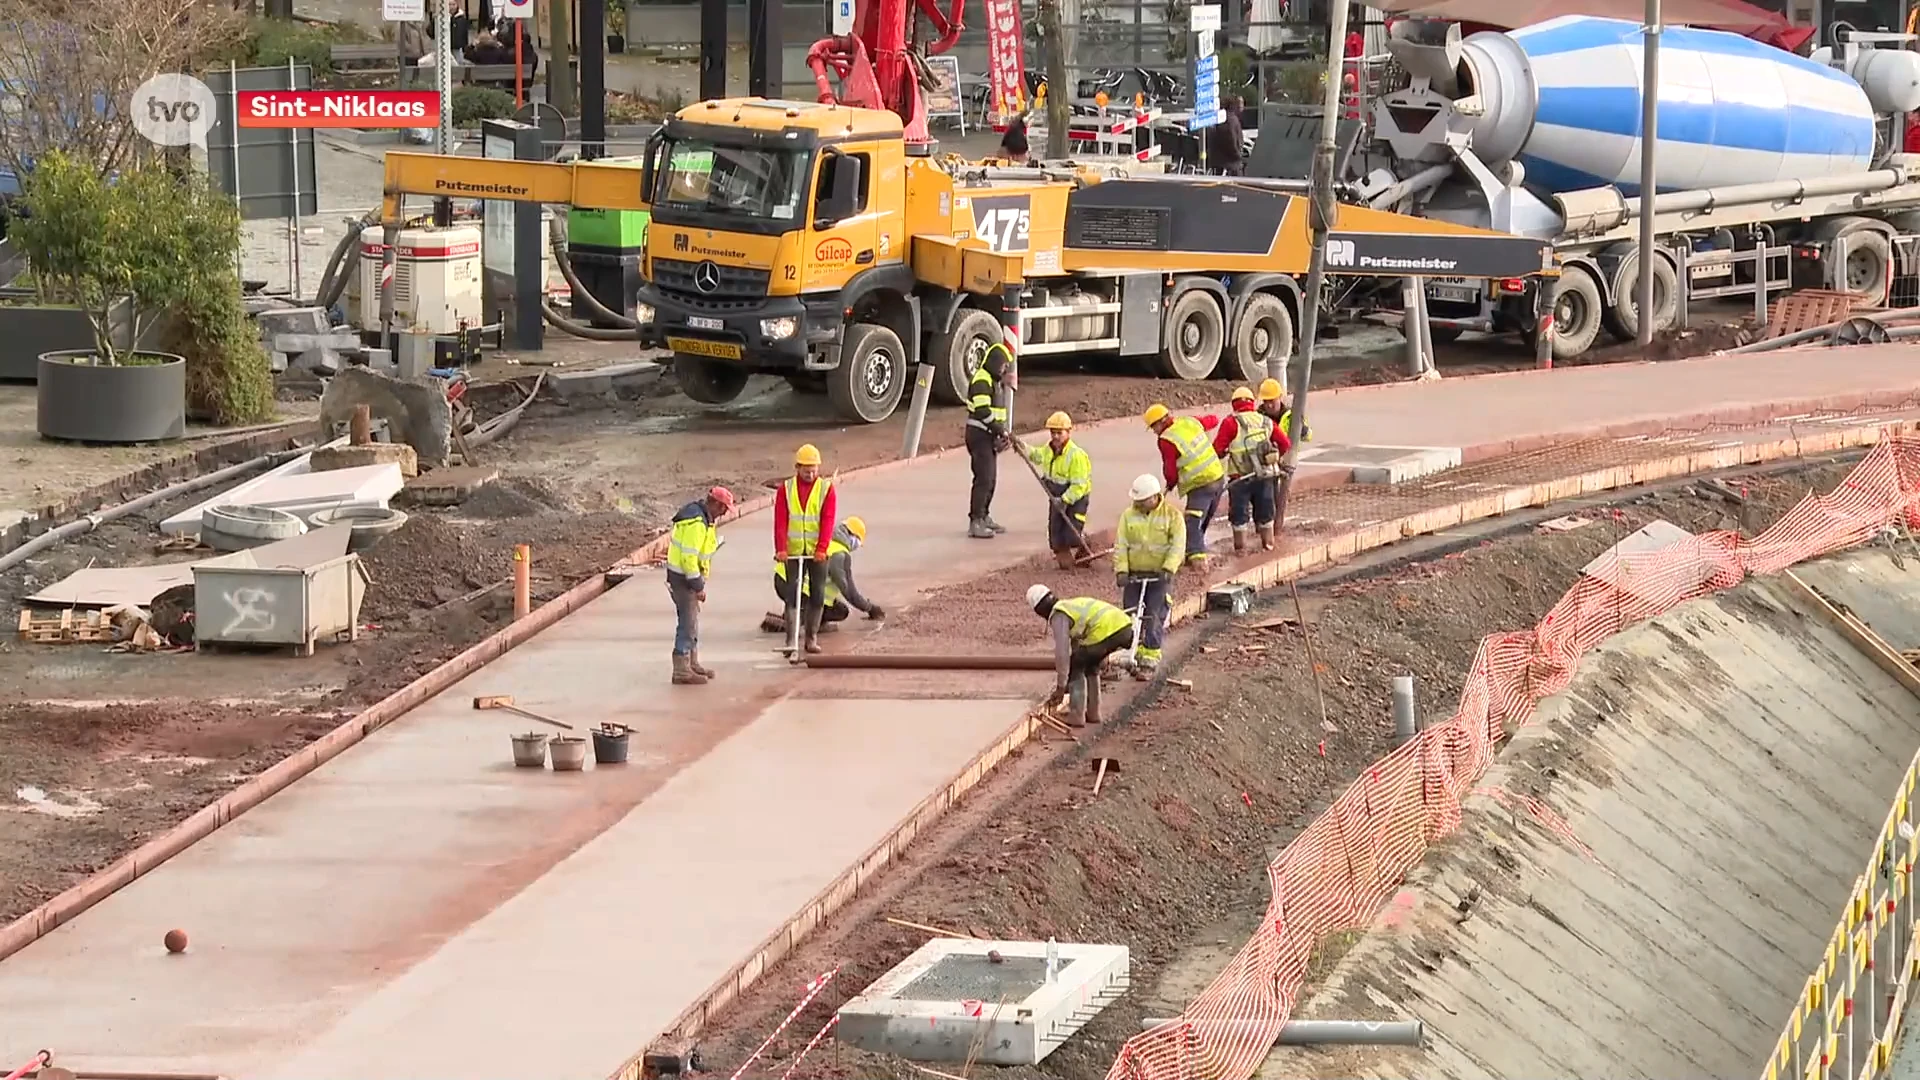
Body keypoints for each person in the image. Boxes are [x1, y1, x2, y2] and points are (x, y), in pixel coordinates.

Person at [1028, 585, 1135, 728]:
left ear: (1039, 610)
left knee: (1076, 664)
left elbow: (1062, 653)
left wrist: (1061, 686)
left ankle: (1077, 716)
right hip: (1123, 627)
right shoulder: (1070, 608)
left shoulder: (1059, 615)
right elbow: (1077, 645)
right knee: (1090, 664)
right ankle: (1093, 713)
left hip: (1109, 630)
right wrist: (1067, 686)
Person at [763, 517, 886, 633]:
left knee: (836, 607)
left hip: (782, 580)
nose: (856, 546)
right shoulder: (839, 554)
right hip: (798, 588)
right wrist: (870, 608)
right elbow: (849, 591)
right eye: (858, 541)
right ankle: (798, 622)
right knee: (839, 611)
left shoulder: (825, 539)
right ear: (851, 535)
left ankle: (801, 615)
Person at [1143, 402, 1227, 571]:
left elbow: (1170, 468)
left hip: (1200, 484)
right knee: (1205, 517)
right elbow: (1213, 420)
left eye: (1154, 427)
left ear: (1161, 422)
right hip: (1217, 476)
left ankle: (1197, 562)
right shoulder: (1189, 421)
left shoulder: (1166, 440)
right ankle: (1196, 549)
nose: (1154, 431)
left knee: (1193, 519)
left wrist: (1171, 482)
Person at [1112, 473, 1181, 677]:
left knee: (1153, 615)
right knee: (1129, 615)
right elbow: (1121, 544)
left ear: (1154, 497)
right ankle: (1129, 653)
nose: (1139, 505)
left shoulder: (1172, 516)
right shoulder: (1128, 516)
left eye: (1143, 501)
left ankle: (1149, 659)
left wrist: (1169, 568)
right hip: (1134, 574)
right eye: (1137, 501)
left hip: (1159, 576)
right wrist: (1121, 570)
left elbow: (1177, 545)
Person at [666, 486, 735, 685]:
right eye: (723, 508)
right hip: (684, 579)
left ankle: (691, 663)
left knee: (692, 622)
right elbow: (689, 558)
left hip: (685, 577)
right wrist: (698, 585)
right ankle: (681, 669)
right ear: (714, 504)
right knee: (687, 623)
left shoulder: (704, 520)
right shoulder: (696, 523)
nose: (723, 513)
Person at [774, 443, 837, 653]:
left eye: (814, 470)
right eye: (806, 470)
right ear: (797, 468)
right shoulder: (786, 489)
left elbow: (828, 521)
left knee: (817, 594)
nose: (810, 474)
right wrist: (781, 549)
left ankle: (811, 638)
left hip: (818, 553)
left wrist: (822, 548)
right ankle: (790, 641)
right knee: (793, 594)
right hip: (794, 551)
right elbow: (780, 521)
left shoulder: (826, 490)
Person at [1213, 385, 1291, 553]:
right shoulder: (1265, 421)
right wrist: (1276, 457)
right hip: (1265, 475)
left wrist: (1225, 452)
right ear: (1252, 403)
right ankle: (1268, 545)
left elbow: (1217, 449)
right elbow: (1285, 443)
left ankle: (1240, 549)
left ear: (1234, 404)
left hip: (1239, 478)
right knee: (1266, 511)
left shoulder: (1230, 423)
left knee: (1239, 514)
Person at [1022, 411, 1093, 569]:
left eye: (1059, 433)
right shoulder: (1049, 450)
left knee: (1072, 534)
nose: (1055, 436)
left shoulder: (1076, 456)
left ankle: (1084, 544)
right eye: (1052, 433)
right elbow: (1037, 455)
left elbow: (1079, 486)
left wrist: (1065, 500)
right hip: (1055, 497)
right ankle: (1064, 558)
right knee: (1055, 534)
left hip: (1075, 499)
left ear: (1068, 432)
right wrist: (1022, 447)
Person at [966, 338, 1016, 539]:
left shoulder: (994, 381)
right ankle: (975, 521)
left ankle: (984, 516)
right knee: (983, 479)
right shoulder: (982, 379)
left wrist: (1000, 431)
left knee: (991, 479)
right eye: (1003, 365)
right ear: (995, 361)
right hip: (979, 436)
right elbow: (982, 410)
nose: (1004, 369)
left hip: (988, 437)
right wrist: (999, 430)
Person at [1207, 96, 1246, 177]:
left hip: (1218, 162)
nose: (1241, 107)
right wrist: (1238, 155)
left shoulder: (1219, 118)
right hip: (1232, 164)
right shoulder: (1232, 120)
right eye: (1239, 104)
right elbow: (1232, 139)